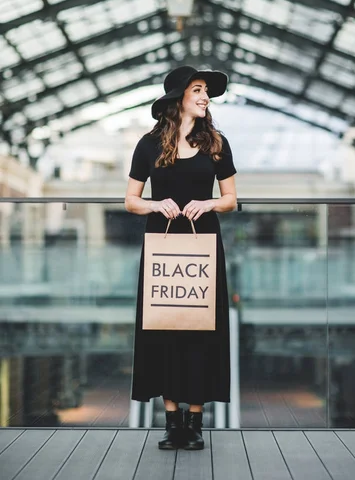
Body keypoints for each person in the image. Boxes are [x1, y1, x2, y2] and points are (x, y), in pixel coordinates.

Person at [125, 65, 237, 450]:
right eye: (199, 90)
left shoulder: (216, 143)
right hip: (163, 242)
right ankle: (172, 423)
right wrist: (157, 204)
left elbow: (230, 199)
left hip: (203, 244)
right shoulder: (149, 144)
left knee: (201, 328)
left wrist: (207, 203)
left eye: (207, 91)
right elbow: (131, 201)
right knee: (163, 327)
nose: (206, 97)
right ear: (179, 99)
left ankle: (196, 422)